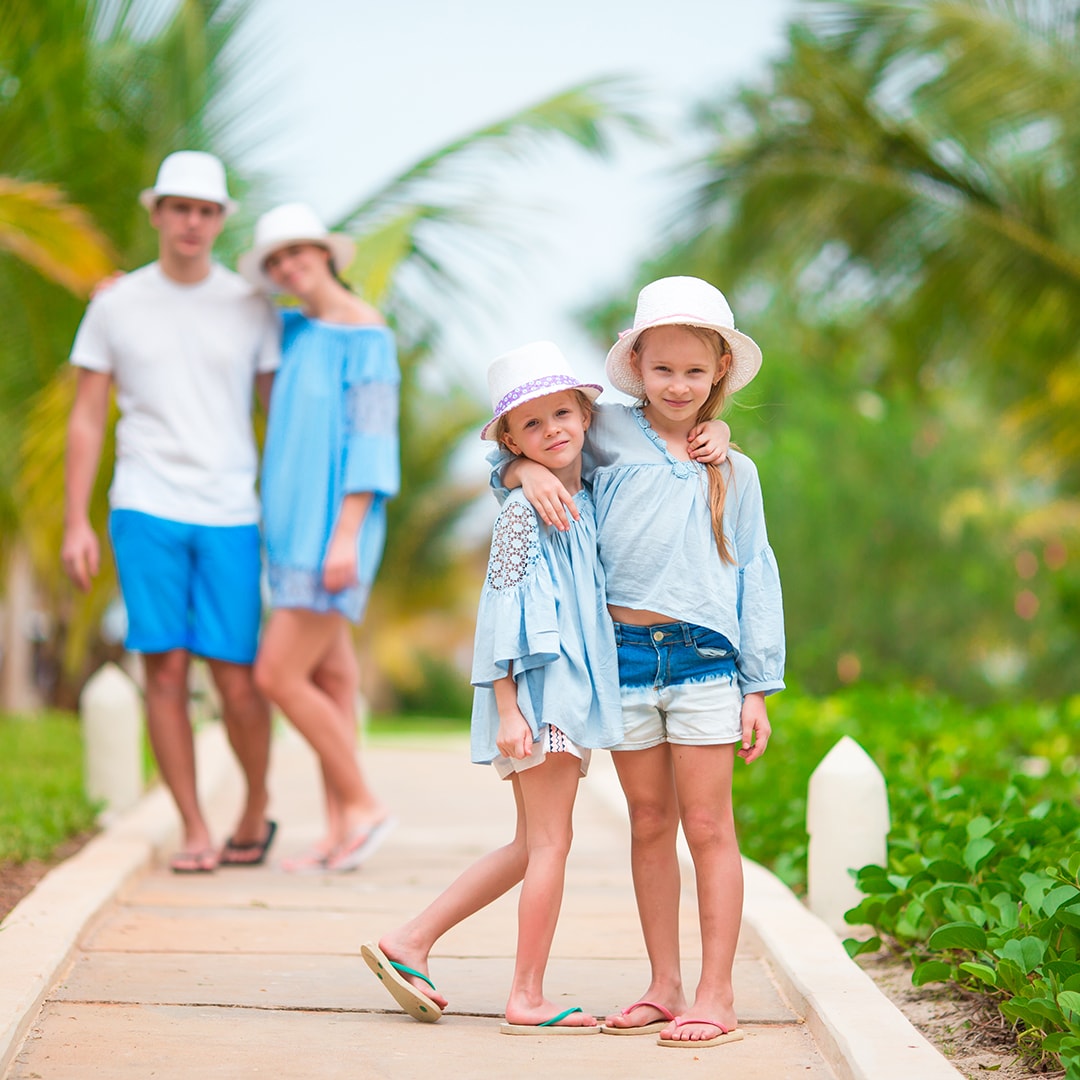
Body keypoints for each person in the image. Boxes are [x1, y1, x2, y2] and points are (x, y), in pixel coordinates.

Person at [499, 276, 784, 1048]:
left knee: (708, 826)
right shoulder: (606, 434)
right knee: (649, 823)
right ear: (638, 368)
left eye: (695, 372)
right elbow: (535, 439)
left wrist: (759, 685)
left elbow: (756, 572)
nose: (679, 385)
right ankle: (664, 984)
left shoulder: (734, 468)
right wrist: (519, 473)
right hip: (621, 660)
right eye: (664, 370)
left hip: (704, 665)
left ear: (719, 371)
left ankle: (715, 993)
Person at [361, 341, 624, 1033]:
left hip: (559, 693)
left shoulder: (577, 496)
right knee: (549, 846)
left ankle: (412, 940)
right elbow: (500, 609)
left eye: (563, 414)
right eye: (532, 427)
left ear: (586, 415)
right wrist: (508, 707)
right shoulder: (521, 513)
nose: (553, 432)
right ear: (510, 439)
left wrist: (517, 470)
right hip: (540, 697)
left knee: (529, 844)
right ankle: (526, 995)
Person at [62, 151, 281, 874]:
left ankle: (254, 805)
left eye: (207, 210)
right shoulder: (115, 304)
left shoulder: (251, 304)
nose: (193, 222)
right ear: (156, 213)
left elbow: (277, 416)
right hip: (144, 504)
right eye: (180, 208)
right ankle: (192, 825)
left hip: (230, 510)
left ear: (221, 220)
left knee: (238, 677)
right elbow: (88, 417)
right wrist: (75, 521)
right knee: (162, 670)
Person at [239, 203, 398, 873]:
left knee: (276, 674)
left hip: (333, 533)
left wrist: (346, 537)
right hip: (290, 530)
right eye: (275, 260)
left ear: (325, 252)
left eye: (297, 251)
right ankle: (340, 833)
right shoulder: (294, 332)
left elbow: (370, 439)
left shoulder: (367, 335)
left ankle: (364, 804)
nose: (287, 266)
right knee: (331, 677)